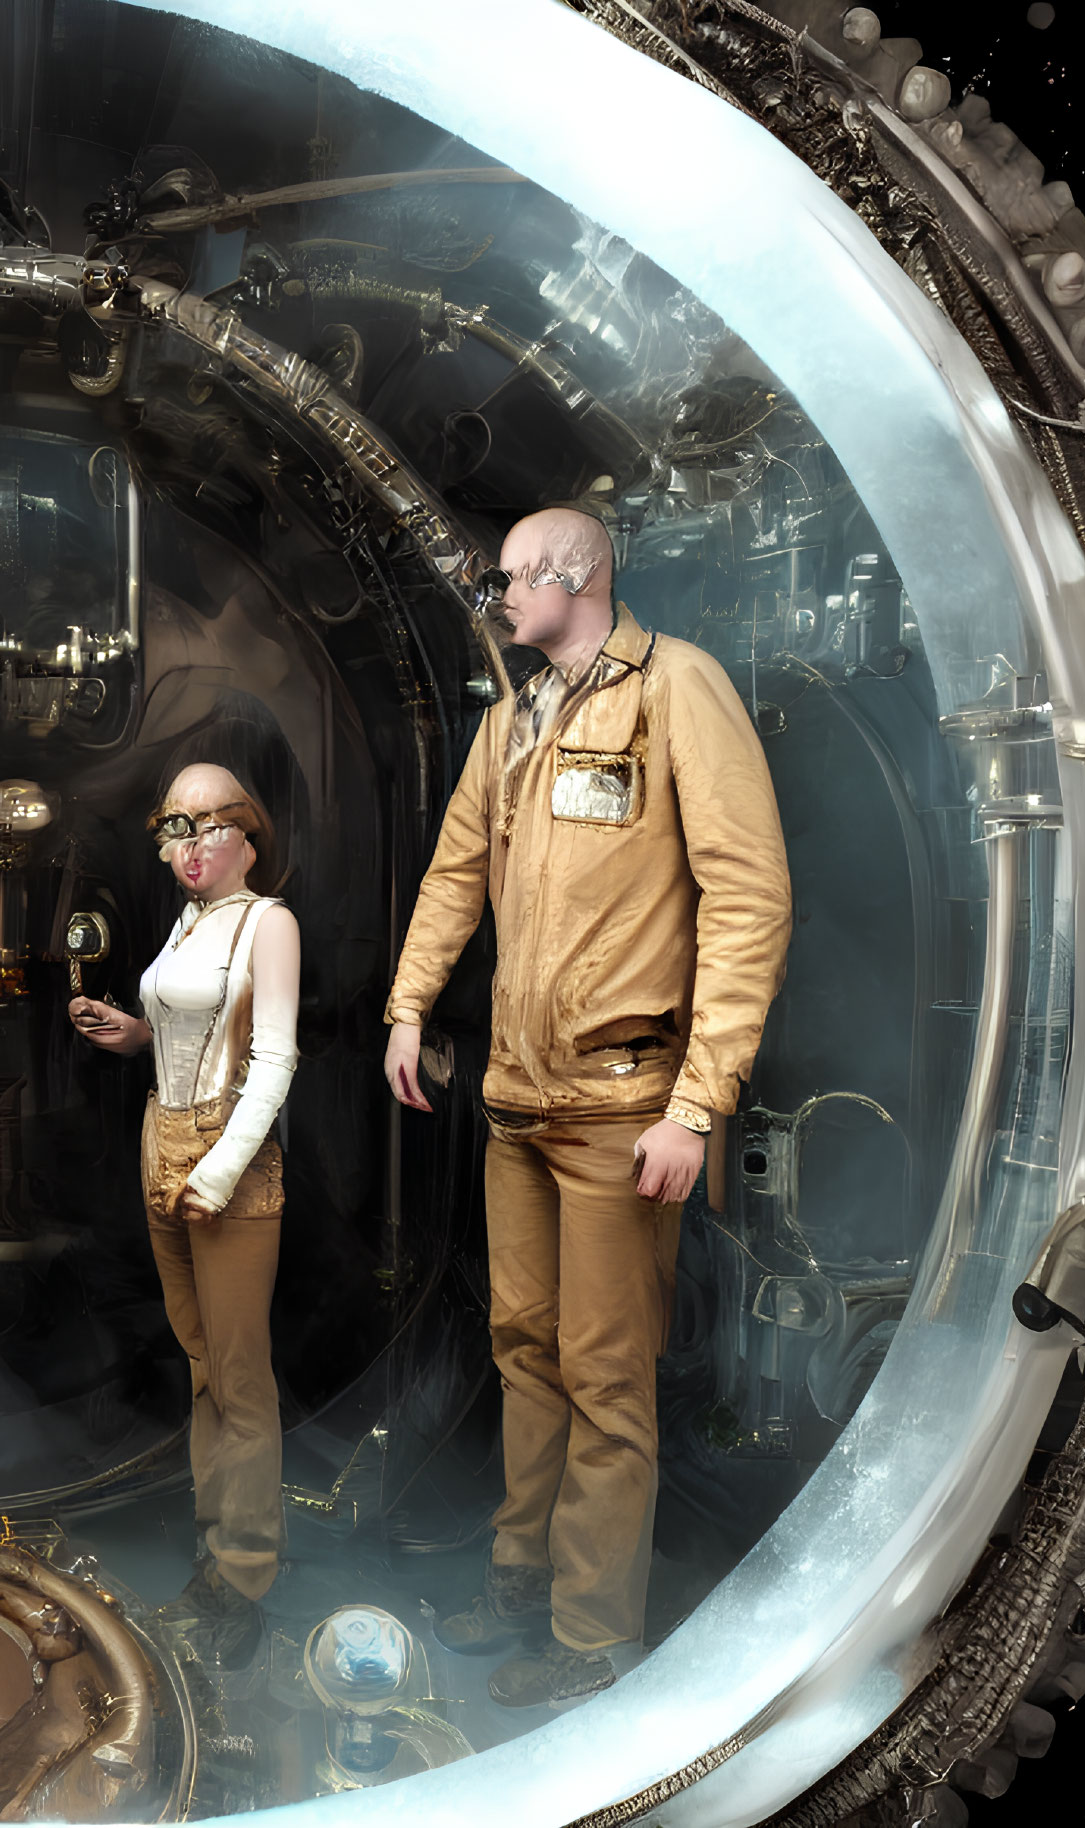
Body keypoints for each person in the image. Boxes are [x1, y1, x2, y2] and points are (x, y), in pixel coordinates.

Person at [381, 507, 790, 1705]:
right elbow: (457, 867)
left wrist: (697, 1106)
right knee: (524, 1351)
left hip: (624, 1104)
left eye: (511, 577)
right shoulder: (512, 719)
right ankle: (518, 1577)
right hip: (518, 1100)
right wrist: (408, 1006)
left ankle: (589, 1637)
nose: (496, 594)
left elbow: (747, 899)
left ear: (577, 576)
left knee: (607, 1375)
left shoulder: (677, 691)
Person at [69, 763, 300, 1670]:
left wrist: (219, 1172)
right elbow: (180, 1033)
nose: (188, 845)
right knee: (201, 1363)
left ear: (249, 836)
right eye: (172, 827)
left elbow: (273, 1063)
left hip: (222, 1160)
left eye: (208, 826)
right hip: (158, 1138)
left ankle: (243, 1576)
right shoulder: (189, 922)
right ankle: (219, 1552)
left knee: (238, 1380)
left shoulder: (266, 921)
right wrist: (127, 1030)